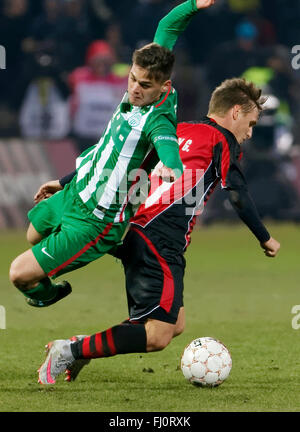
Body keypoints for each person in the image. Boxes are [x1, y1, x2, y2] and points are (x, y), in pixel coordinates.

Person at [36, 77, 280, 385]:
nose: (249, 132)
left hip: (134, 226)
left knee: (174, 322)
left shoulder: (174, 129)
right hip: (160, 237)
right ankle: (70, 349)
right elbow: (238, 195)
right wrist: (265, 238)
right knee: (158, 334)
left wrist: (64, 180)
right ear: (235, 112)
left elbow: (112, 157)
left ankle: (83, 348)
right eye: (251, 122)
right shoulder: (223, 141)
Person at [9, 0, 221, 308]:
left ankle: (49, 294)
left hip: (95, 221)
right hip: (75, 191)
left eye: (144, 85)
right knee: (33, 234)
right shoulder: (152, 68)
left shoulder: (159, 120)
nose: (135, 89)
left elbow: (171, 157)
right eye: (132, 78)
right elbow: (167, 27)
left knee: (19, 274)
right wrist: (194, 2)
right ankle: (63, 258)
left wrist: (168, 167)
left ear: (163, 85)